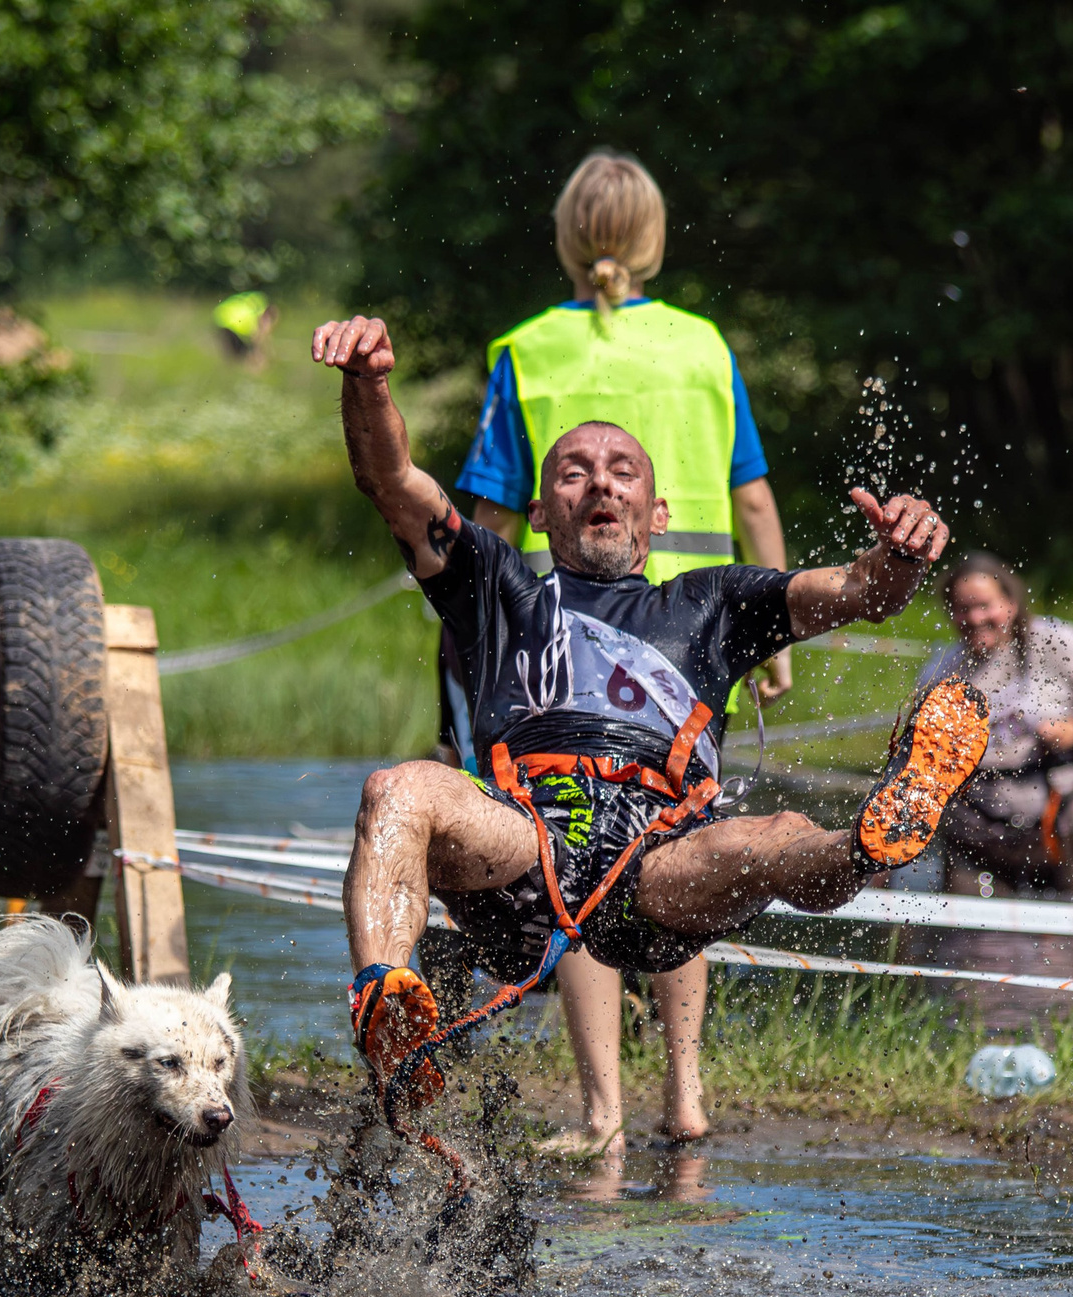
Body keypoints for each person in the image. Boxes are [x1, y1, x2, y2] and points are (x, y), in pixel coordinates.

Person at [306, 314, 991, 1149]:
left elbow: (857, 589)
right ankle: (389, 1004)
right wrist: (368, 381)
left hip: (654, 871)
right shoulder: (496, 584)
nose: (600, 484)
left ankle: (875, 837)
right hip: (522, 851)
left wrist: (902, 554)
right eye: (574, 472)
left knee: (773, 835)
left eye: (621, 470)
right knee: (398, 788)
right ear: (537, 509)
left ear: (657, 510)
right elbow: (392, 479)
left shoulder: (713, 603)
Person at [450, 148, 792, 1149]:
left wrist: (480, 640)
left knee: (577, 841)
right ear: (653, 239)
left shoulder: (526, 349)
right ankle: (685, 1092)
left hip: (557, 625)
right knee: (674, 839)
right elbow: (755, 495)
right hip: (696, 627)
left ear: (564, 237)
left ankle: (601, 1111)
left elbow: (488, 512)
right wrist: (773, 637)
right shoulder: (700, 344)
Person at [916, 553, 1073, 897]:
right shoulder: (942, 669)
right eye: (962, 609)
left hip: (1066, 818)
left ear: (1011, 603)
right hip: (975, 834)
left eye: (985, 606)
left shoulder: (1054, 641)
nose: (974, 618)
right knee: (967, 946)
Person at [212, 290, 277, 368]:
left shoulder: (258, 299)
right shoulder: (260, 311)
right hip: (232, 323)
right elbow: (257, 337)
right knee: (247, 356)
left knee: (234, 357)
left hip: (220, 315)